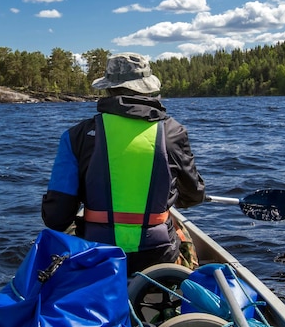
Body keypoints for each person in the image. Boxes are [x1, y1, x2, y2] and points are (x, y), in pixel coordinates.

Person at [42, 52, 205, 274]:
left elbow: (56, 218)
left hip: (97, 255)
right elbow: (194, 196)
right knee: (179, 232)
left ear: (108, 88)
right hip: (158, 256)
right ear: (147, 88)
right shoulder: (173, 132)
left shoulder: (76, 135)